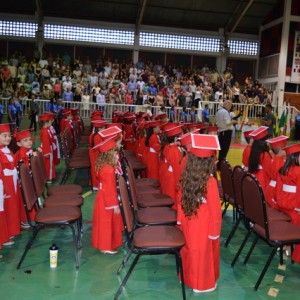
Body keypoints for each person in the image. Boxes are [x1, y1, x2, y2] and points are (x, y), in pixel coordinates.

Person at [177, 133, 221, 293]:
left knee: (189, 250)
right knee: (202, 254)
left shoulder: (186, 176)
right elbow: (216, 210)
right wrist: (215, 232)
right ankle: (201, 284)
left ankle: (187, 277)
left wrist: (180, 221)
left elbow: (180, 200)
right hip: (204, 225)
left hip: (189, 220)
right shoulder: (210, 182)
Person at [91, 137, 123, 254]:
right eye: (115, 151)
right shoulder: (109, 169)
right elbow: (110, 189)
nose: (117, 154)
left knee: (104, 222)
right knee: (106, 223)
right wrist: (114, 205)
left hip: (102, 197)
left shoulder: (102, 165)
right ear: (109, 154)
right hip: (107, 200)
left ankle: (104, 245)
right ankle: (106, 246)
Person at [276, 143, 300, 263]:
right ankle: (294, 252)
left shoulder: (282, 169)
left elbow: (278, 190)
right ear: (296, 157)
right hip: (294, 208)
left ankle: (286, 247)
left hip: (283, 206)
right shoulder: (298, 171)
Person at [0, 123, 21, 246]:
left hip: (12, 181)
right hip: (5, 183)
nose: (8, 138)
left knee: (11, 207)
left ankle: (9, 233)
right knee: (6, 208)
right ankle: (5, 235)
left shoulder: (7, 149)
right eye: (4, 136)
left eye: (9, 135)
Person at [215, 100, 237, 169]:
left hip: (221, 132)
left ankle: (219, 165)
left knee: (221, 150)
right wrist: (233, 121)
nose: (230, 108)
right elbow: (227, 123)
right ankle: (221, 166)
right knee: (224, 150)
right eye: (230, 106)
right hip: (226, 132)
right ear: (227, 105)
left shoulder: (219, 111)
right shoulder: (225, 112)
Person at [39, 114, 56, 183]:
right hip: (47, 150)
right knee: (47, 164)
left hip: (49, 148)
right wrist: (46, 152)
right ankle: (48, 177)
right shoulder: (45, 131)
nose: (51, 122)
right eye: (50, 121)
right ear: (46, 122)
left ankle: (49, 176)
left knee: (49, 164)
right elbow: (46, 142)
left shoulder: (47, 130)